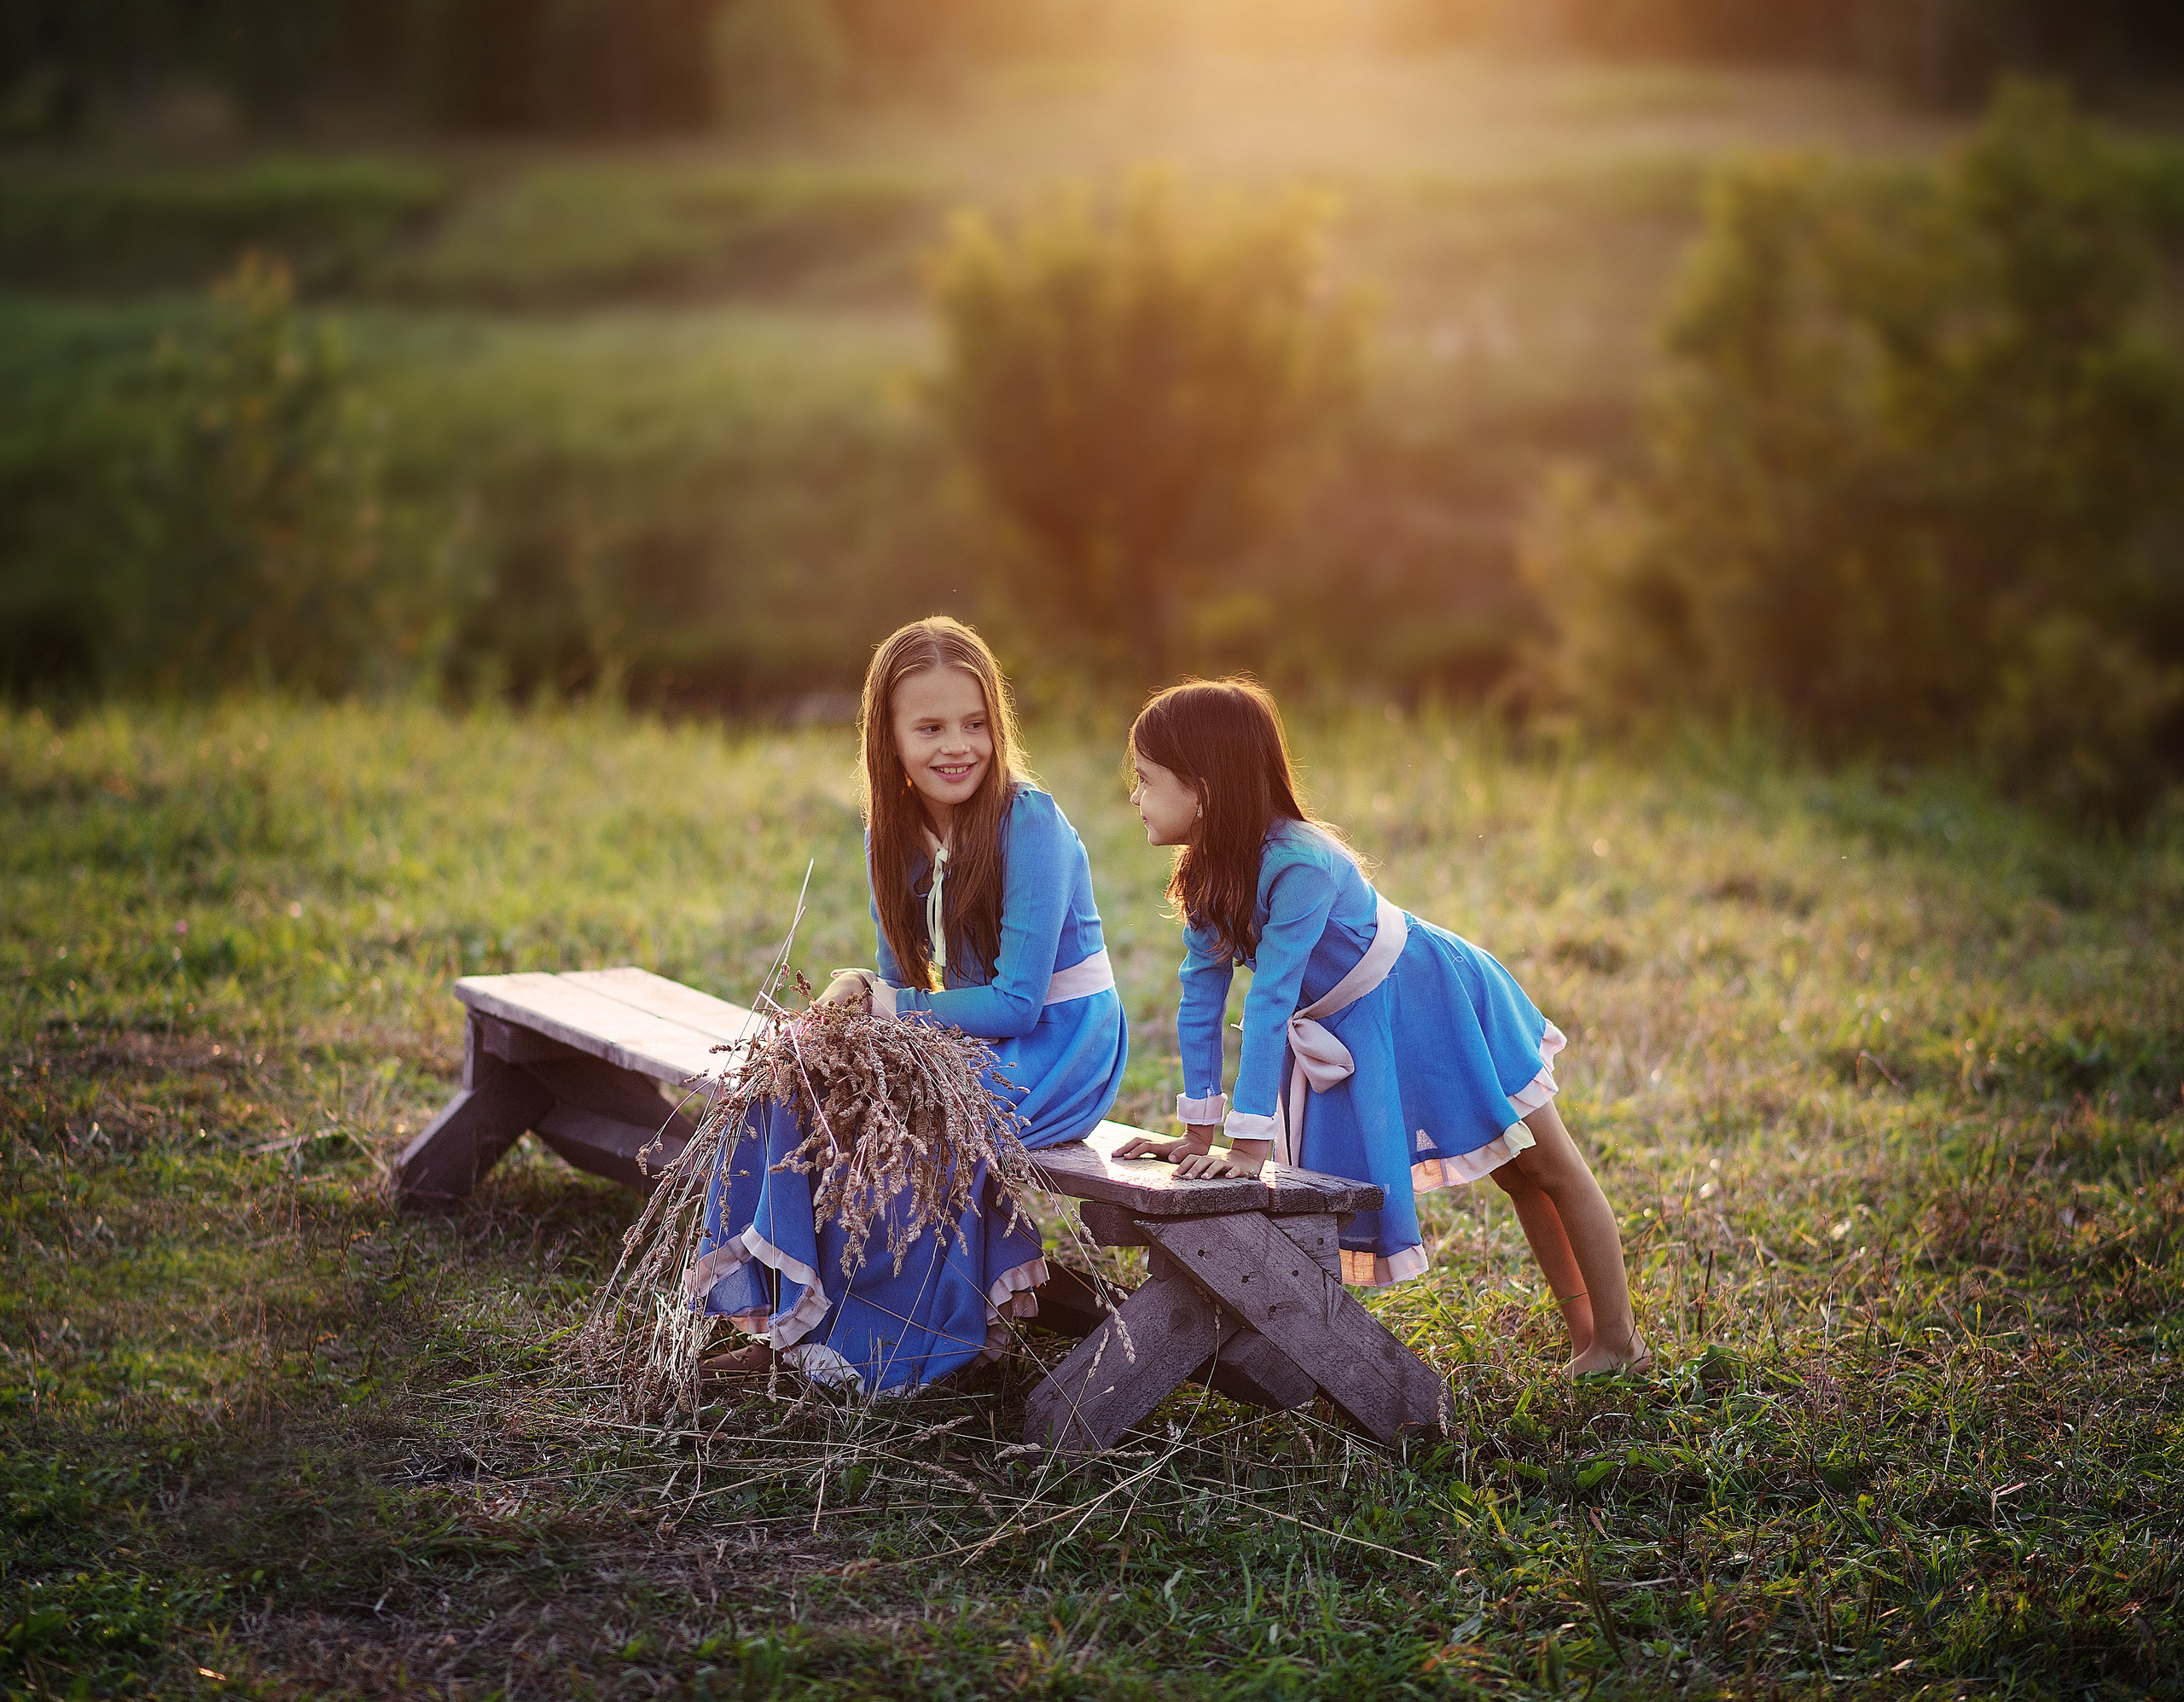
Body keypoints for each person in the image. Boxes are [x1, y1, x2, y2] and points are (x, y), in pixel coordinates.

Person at [1113, 678, 1647, 1376]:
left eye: (1146, 779)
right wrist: (1196, 1131)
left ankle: (1616, 1342)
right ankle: (1591, 1342)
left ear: (1205, 789)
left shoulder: (1301, 862)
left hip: (1436, 996)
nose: (1134, 796)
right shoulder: (1209, 872)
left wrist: (1249, 1148)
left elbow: (1270, 1001)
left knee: (1545, 1165)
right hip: (1367, 1021)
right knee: (1520, 1180)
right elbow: (1199, 1003)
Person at [687, 618, 1129, 1392]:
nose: (957, 745)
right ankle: (790, 1321)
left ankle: (901, 1342)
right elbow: (907, 985)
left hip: (1059, 1044)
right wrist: (854, 1028)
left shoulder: (1030, 822)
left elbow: (1018, 1003)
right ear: (887, 738)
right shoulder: (891, 834)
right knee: (796, 1090)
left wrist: (886, 1008)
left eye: (975, 723)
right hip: (971, 1034)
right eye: (929, 727)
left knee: (908, 1123)